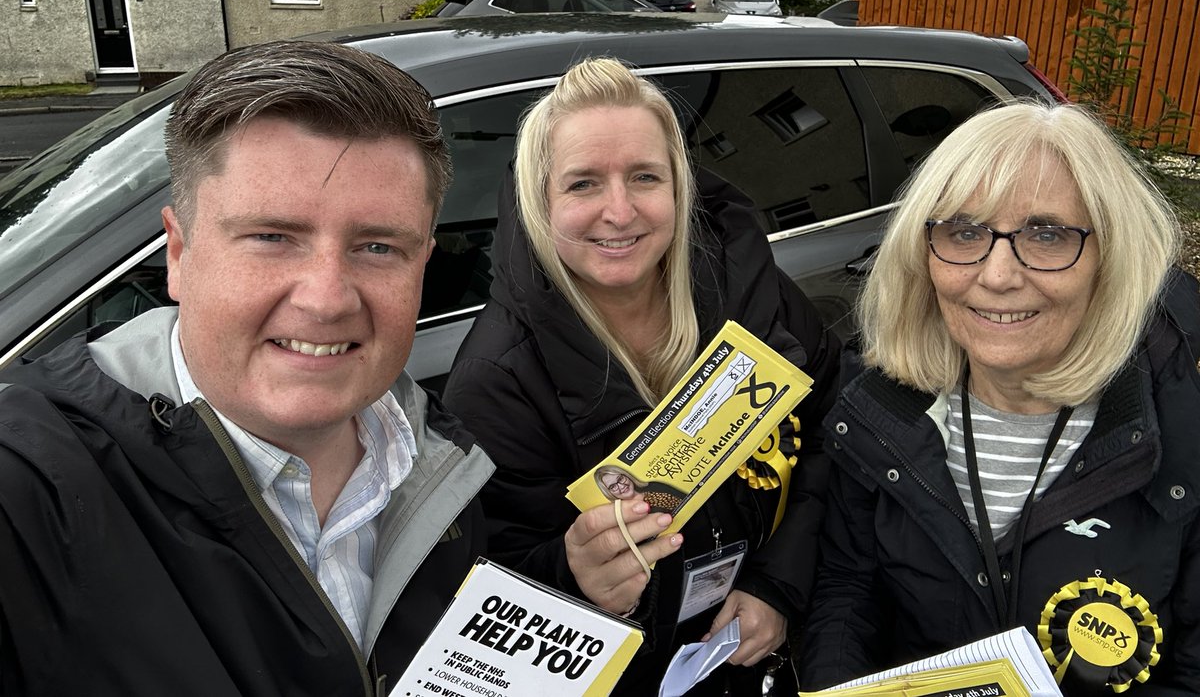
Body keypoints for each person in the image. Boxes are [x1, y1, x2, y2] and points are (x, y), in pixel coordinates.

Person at [0, 41, 494, 696]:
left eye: (377, 247)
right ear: (179, 253)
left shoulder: (440, 462)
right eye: (272, 238)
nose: (325, 298)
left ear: (423, 263)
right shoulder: (28, 491)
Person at [443, 57, 840, 695]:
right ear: (539, 200)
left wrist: (778, 582)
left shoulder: (751, 292)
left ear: (679, 185)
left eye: (644, 177)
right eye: (583, 185)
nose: (621, 211)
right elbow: (486, 596)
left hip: (757, 654)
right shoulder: (499, 379)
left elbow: (832, 435)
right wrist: (574, 579)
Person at [799, 101, 1200, 695]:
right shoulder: (877, 414)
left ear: (1108, 259)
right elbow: (846, 593)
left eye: (1046, 233)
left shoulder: (1182, 429)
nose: (997, 275)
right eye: (964, 232)